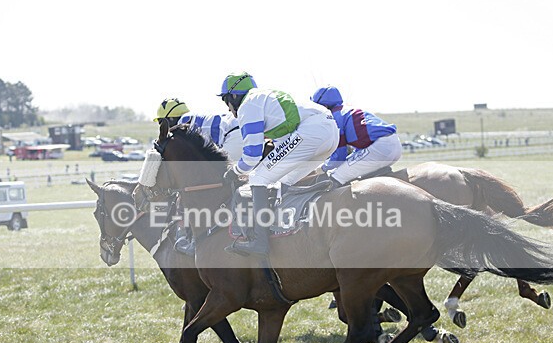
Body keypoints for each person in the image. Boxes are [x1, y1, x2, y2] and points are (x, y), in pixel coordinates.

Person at [219, 72, 339, 257]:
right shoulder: (264, 100)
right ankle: (283, 226)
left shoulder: (247, 105)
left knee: (257, 177)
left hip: (314, 132)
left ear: (234, 96)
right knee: (280, 179)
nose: (228, 109)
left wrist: (234, 172)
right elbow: (280, 148)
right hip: (329, 134)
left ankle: (259, 241)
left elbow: (251, 155)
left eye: (225, 100)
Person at [152, 98, 242, 255]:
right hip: (241, 133)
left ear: (169, 119)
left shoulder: (180, 129)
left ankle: (193, 237)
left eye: (161, 122)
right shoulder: (191, 119)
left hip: (234, 138)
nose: (161, 127)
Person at [311, 86, 402, 186]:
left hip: (379, 148)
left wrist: (322, 168)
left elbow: (339, 157)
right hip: (394, 144)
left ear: (323, 105)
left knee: (335, 177)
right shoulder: (347, 110)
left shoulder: (334, 118)